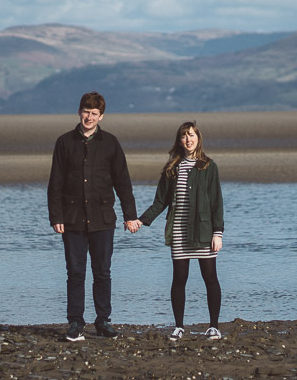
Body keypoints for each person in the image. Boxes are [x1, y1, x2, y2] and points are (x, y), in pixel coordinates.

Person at [47, 91, 140, 342]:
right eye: (86, 112)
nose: (89, 117)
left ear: (101, 116)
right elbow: (55, 183)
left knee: (102, 272)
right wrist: (56, 216)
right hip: (72, 218)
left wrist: (130, 215)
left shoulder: (110, 143)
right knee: (75, 272)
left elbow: (123, 182)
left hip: (102, 219)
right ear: (79, 112)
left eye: (94, 113)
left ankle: (103, 321)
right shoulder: (64, 142)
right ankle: (76, 322)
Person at [130, 120, 224, 341]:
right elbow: (160, 202)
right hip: (179, 230)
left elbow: (216, 203)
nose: (188, 139)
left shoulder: (209, 166)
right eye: (184, 136)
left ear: (198, 138)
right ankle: (179, 326)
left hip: (204, 231)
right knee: (179, 278)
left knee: (210, 277)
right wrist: (140, 221)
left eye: (192, 135)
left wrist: (217, 233)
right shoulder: (172, 168)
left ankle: (214, 327)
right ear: (179, 140)